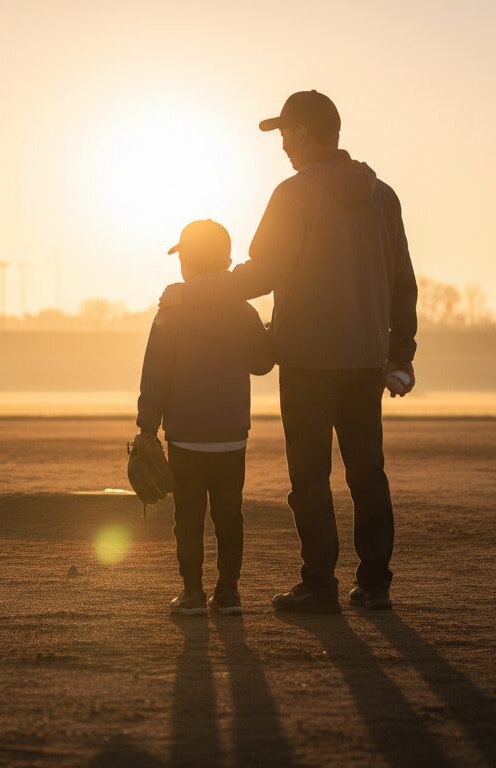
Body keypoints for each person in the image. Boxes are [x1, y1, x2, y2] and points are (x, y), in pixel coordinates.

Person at [160, 90, 418, 613]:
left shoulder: (293, 193)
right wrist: (400, 352)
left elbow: (262, 273)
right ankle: (375, 585)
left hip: (305, 358)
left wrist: (197, 291)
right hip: (367, 358)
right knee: (368, 475)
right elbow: (402, 283)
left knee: (310, 479)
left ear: (303, 133)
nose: (282, 146)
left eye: (284, 135)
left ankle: (319, 585)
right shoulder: (384, 196)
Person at [137, 219, 275, 616]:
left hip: (186, 435)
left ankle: (192, 592)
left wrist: (147, 427)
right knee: (230, 515)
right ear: (229, 262)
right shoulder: (242, 311)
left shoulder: (172, 311)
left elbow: (155, 372)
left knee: (189, 517)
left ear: (186, 264)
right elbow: (262, 363)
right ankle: (228, 592)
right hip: (232, 434)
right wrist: (268, 329)